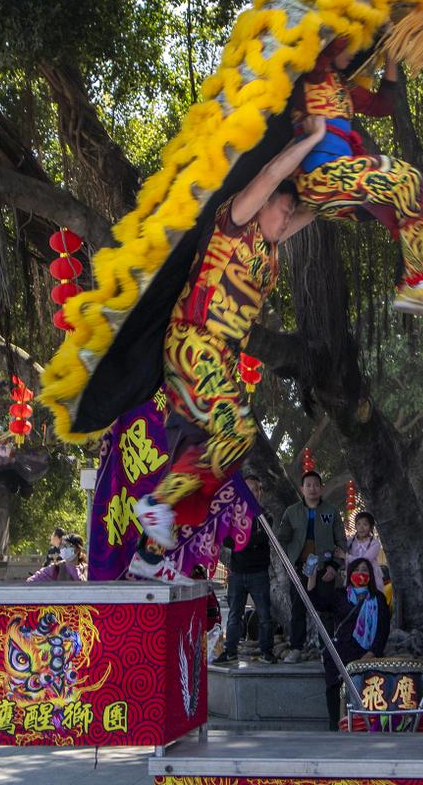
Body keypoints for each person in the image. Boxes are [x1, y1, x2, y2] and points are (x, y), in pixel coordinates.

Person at [133, 120, 325, 559]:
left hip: (214, 357)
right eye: (282, 211)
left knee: (219, 452)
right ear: (264, 206)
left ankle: (154, 539)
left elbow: (314, 210)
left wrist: (352, 193)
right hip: (193, 343)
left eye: (290, 216)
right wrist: (311, 139)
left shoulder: (271, 246)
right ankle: (157, 503)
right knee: (237, 433)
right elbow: (272, 176)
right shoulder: (235, 221)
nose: (286, 221)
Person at [291, 40, 423, 322]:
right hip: (320, 179)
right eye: (349, 44)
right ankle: (415, 283)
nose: (353, 54)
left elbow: (382, 105)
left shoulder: (343, 87)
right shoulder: (314, 74)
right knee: (407, 179)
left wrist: (392, 55)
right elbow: (329, 45)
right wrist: (381, 21)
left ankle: (413, 281)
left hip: (347, 188)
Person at [307, 556, 391, 730]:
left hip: (365, 654)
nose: (360, 573)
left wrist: (372, 653)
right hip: (339, 653)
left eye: (365, 570)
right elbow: (317, 603)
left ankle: (364, 726)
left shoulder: (378, 599)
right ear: (350, 573)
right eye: (356, 570)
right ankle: (335, 726)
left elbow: (383, 631)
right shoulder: (340, 595)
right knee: (333, 689)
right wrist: (312, 576)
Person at [276, 470, 348, 663]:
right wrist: (288, 563)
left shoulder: (331, 511)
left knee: (324, 609)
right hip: (299, 569)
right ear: (302, 488)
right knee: (298, 609)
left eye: (316, 485)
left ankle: (327, 649)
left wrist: (334, 566)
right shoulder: (291, 512)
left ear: (321, 487)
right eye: (308, 485)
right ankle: (296, 648)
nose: (312, 488)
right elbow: (281, 539)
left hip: (325, 568)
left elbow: (341, 540)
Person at [215, 475, 276, 664]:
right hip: (237, 573)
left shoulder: (265, 517)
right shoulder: (232, 515)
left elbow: (260, 539)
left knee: (265, 615)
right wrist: (246, 542)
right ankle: (230, 650)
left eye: (255, 489)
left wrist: (242, 542)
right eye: (247, 489)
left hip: (259, 573)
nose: (251, 493)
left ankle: (267, 651)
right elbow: (227, 541)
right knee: (234, 615)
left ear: (260, 492)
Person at [345, 510, 385, 593]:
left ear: (371, 527)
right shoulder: (349, 541)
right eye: (358, 524)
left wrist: (345, 556)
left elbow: (364, 561)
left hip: (371, 577)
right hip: (354, 577)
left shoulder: (375, 543)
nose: (361, 527)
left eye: (365, 524)